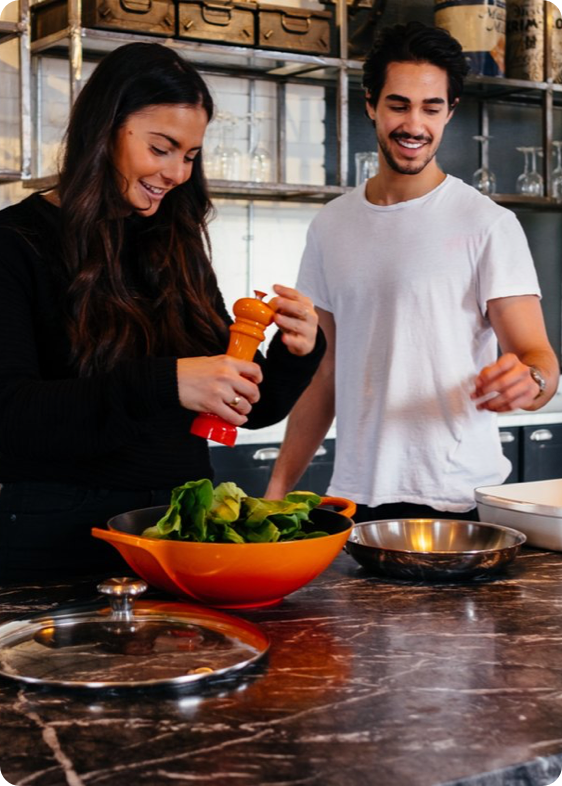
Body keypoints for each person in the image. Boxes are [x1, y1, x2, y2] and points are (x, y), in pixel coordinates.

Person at [0, 42, 325, 579]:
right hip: (52, 546)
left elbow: (247, 408)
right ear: (106, 129)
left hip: (175, 536)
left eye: (190, 155)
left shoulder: (176, 243)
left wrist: (297, 351)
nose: (176, 172)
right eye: (162, 147)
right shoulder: (16, 243)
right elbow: (10, 415)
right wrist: (167, 383)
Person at [265, 21, 559, 522]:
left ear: (450, 112)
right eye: (399, 105)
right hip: (355, 500)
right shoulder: (331, 224)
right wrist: (275, 494)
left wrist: (529, 381)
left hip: (460, 500)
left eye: (431, 107)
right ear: (371, 105)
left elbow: (539, 361)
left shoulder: (488, 224)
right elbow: (324, 373)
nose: (414, 125)